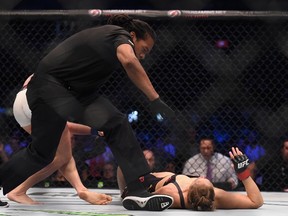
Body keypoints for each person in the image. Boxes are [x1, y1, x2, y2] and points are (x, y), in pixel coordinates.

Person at [0, 14, 175, 211]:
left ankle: (137, 187)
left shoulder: (108, 39)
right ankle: (138, 185)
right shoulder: (120, 35)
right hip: (52, 88)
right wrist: (155, 99)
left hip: (71, 92)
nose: (143, 56)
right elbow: (130, 62)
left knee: (113, 123)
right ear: (133, 36)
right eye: (144, 49)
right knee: (42, 153)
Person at [7, 74, 112, 205]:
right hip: (41, 100)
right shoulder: (76, 72)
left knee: (63, 154)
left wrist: (94, 131)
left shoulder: (51, 66)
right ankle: (19, 191)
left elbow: (65, 127)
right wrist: (95, 129)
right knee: (61, 156)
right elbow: (65, 124)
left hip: (20, 102)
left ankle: (81, 190)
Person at [118, 147, 264, 210]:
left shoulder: (172, 193)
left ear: (190, 187)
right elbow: (256, 201)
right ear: (212, 190)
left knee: (122, 167)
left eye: (199, 179)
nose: (201, 177)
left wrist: (129, 194)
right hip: (155, 181)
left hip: (149, 183)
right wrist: (243, 174)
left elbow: (138, 198)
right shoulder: (217, 197)